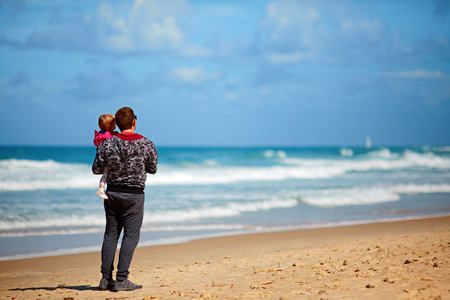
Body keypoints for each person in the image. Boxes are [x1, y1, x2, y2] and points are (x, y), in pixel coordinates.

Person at [92, 107, 158, 291]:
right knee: (130, 236)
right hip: (134, 195)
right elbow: (152, 169)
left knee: (111, 234)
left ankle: (105, 279)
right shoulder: (147, 144)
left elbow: (96, 169)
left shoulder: (107, 144)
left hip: (112, 194)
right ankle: (121, 279)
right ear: (134, 122)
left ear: (117, 125)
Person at [93, 114, 118, 200]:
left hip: (102, 157)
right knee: (106, 173)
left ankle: (102, 188)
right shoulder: (107, 135)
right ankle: (101, 189)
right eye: (114, 124)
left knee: (105, 173)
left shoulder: (100, 134)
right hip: (108, 158)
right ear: (110, 126)